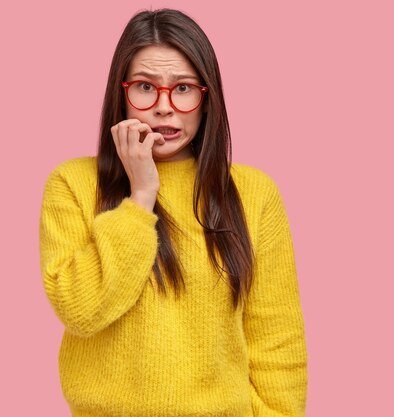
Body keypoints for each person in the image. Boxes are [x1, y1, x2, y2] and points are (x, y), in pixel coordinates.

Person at [38, 8, 307, 417]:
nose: (164, 107)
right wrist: (141, 195)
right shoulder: (73, 183)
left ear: (206, 97)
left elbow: (276, 340)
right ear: (120, 93)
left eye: (183, 89)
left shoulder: (253, 193)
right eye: (146, 87)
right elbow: (81, 309)